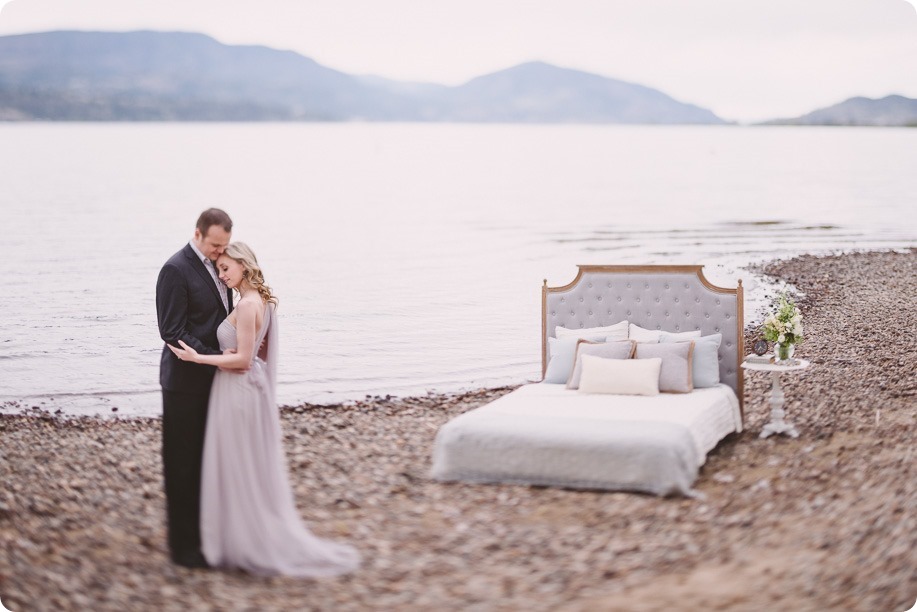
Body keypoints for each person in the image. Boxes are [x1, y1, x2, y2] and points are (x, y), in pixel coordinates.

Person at [168, 242, 360, 577]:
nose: (222, 275)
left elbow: (242, 360)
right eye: (219, 269)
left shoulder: (246, 306)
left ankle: (245, 541)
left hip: (237, 389)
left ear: (244, 265)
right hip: (250, 389)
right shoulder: (265, 301)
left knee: (236, 464)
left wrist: (198, 357)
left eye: (226, 268)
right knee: (245, 464)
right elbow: (261, 356)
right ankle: (243, 534)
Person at [156, 208, 234, 568]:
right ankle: (183, 548)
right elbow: (172, 332)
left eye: (224, 246)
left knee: (206, 461)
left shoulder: (220, 265)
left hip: (212, 378)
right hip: (184, 384)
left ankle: (205, 537)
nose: (220, 252)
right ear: (198, 234)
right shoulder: (175, 269)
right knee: (182, 464)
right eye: (216, 245)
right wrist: (217, 358)